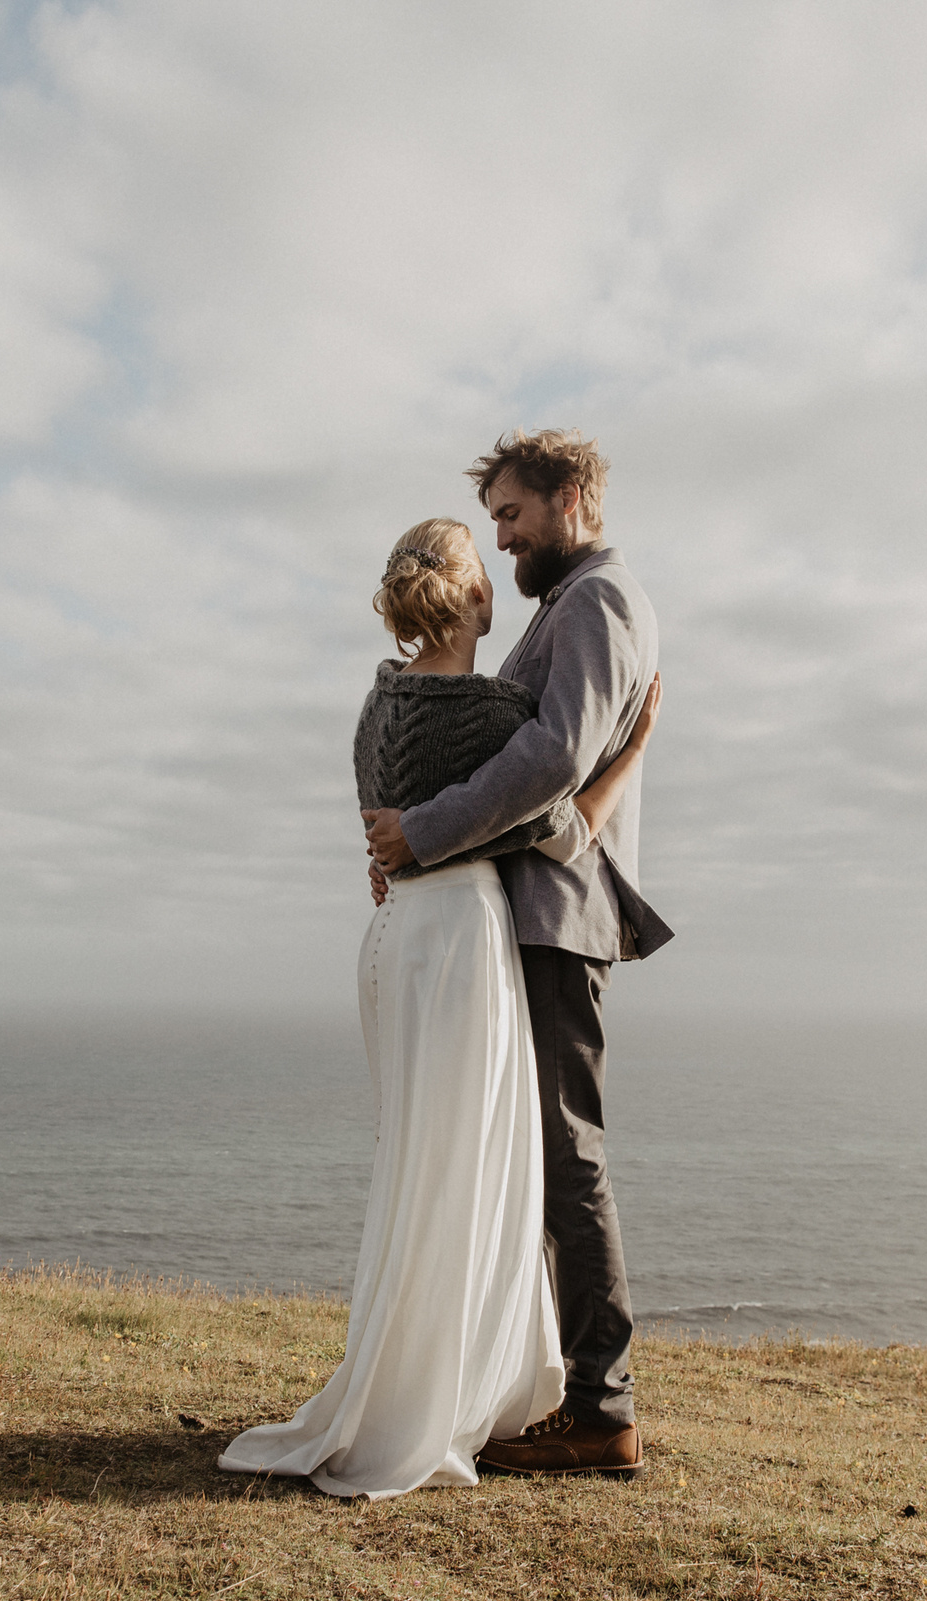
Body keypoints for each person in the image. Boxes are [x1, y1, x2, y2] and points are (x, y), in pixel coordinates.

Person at [216, 517, 660, 1500]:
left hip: (391, 945)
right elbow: (566, 827)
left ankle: (399, 1377)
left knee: (413, 1168)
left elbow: (382, 830)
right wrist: (633, 750)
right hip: (460, 942)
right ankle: (440, 1397)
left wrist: (404, 843)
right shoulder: (493, 713)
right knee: (468, 1173)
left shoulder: (376, 705)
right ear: (476, 598)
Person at [363, 430, 669, 1477]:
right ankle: (528, 1386)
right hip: (520, 910)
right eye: (491, 519)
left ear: (568, 495)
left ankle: (603, 1408)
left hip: (554, 915)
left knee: (566, 1156)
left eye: (510, 514)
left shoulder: (597, 600)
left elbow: (550, 755)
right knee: (527, 1157)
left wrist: (422, 833)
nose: (500, 537)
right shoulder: (563, 606)